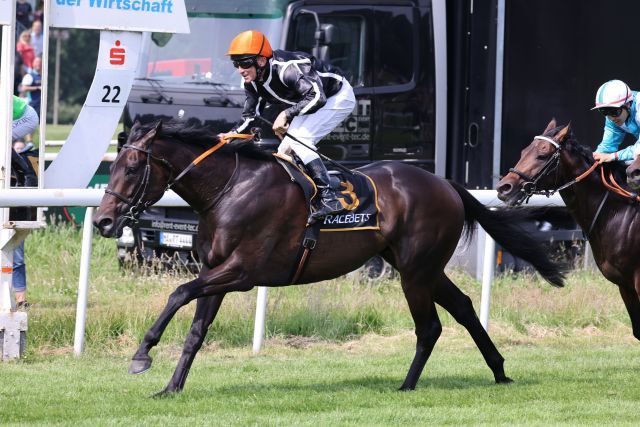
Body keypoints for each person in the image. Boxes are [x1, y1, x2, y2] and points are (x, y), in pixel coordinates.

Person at [220, 30, 356, 223]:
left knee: (301, 141)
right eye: (236, 64)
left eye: (244, 63)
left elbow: (318, 97)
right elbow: (251, 116)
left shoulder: (288, 69)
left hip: (337, 97)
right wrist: (230, 135)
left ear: (260, 61)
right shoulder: (251, 81)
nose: (240, 70)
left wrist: (285, 114)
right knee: (285, 150)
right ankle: (304, 200)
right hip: (311, 101)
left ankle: (330, 198)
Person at [592, 79, 640, 163]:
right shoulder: (612, 117)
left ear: (628, 104)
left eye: (614, 112)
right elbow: (607, 147)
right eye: (604, 112)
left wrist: (614, 156)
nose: (611, 118)